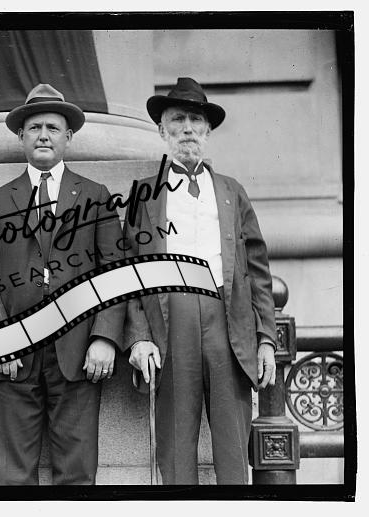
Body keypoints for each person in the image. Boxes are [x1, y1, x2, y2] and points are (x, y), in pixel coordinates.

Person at [0, 84, 125, 485]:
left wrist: (105, 337)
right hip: (14, 354)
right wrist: (0, 338)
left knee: (77, 472)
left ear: (68, 137)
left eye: (52, 128)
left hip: (78, 352)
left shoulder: (95, 196)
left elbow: (115, 273)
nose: (43, 135)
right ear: (20, 136)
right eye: (34, 128)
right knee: (14, 475)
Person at [124, 77, 277, 484]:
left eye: (196, 120)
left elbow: (257, 269)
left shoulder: (231, 191)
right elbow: (129, 275)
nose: (187, 129)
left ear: (208, 130)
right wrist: (139, 338)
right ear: (162, 131)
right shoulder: (144, 194)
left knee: (233, 445)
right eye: (178, 120)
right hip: (170, 319)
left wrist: (265, 338)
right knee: (175, 446)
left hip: (226, 317)